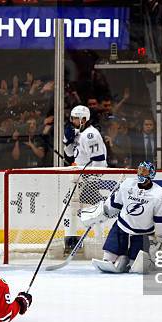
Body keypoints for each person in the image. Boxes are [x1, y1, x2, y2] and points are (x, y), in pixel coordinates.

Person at [81, 162, 162, 274]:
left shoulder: (159, 194)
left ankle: (130, 259)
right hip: (122, 227)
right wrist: (101, 213)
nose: (141, 173)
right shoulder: (127, 184)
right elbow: (115, 204)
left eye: (144, 171)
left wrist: (161, 241)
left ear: (151, 174)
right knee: (109, 258)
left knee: (137, 267)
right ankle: (119, 257)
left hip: (143, 234)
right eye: (140, 170)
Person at [62, 105, 107, 253]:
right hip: (78, 177)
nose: (73, 121)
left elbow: (99, 160)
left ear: (84, 119)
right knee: (70, 206)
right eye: (72, 118)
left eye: (76, 118)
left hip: (88, 177)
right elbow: (69, 155)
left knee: (92, 209)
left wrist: (92, 180)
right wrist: (67, 141)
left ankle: (99, 240)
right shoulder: (79, 133)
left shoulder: (90, 135)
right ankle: (71, 239)